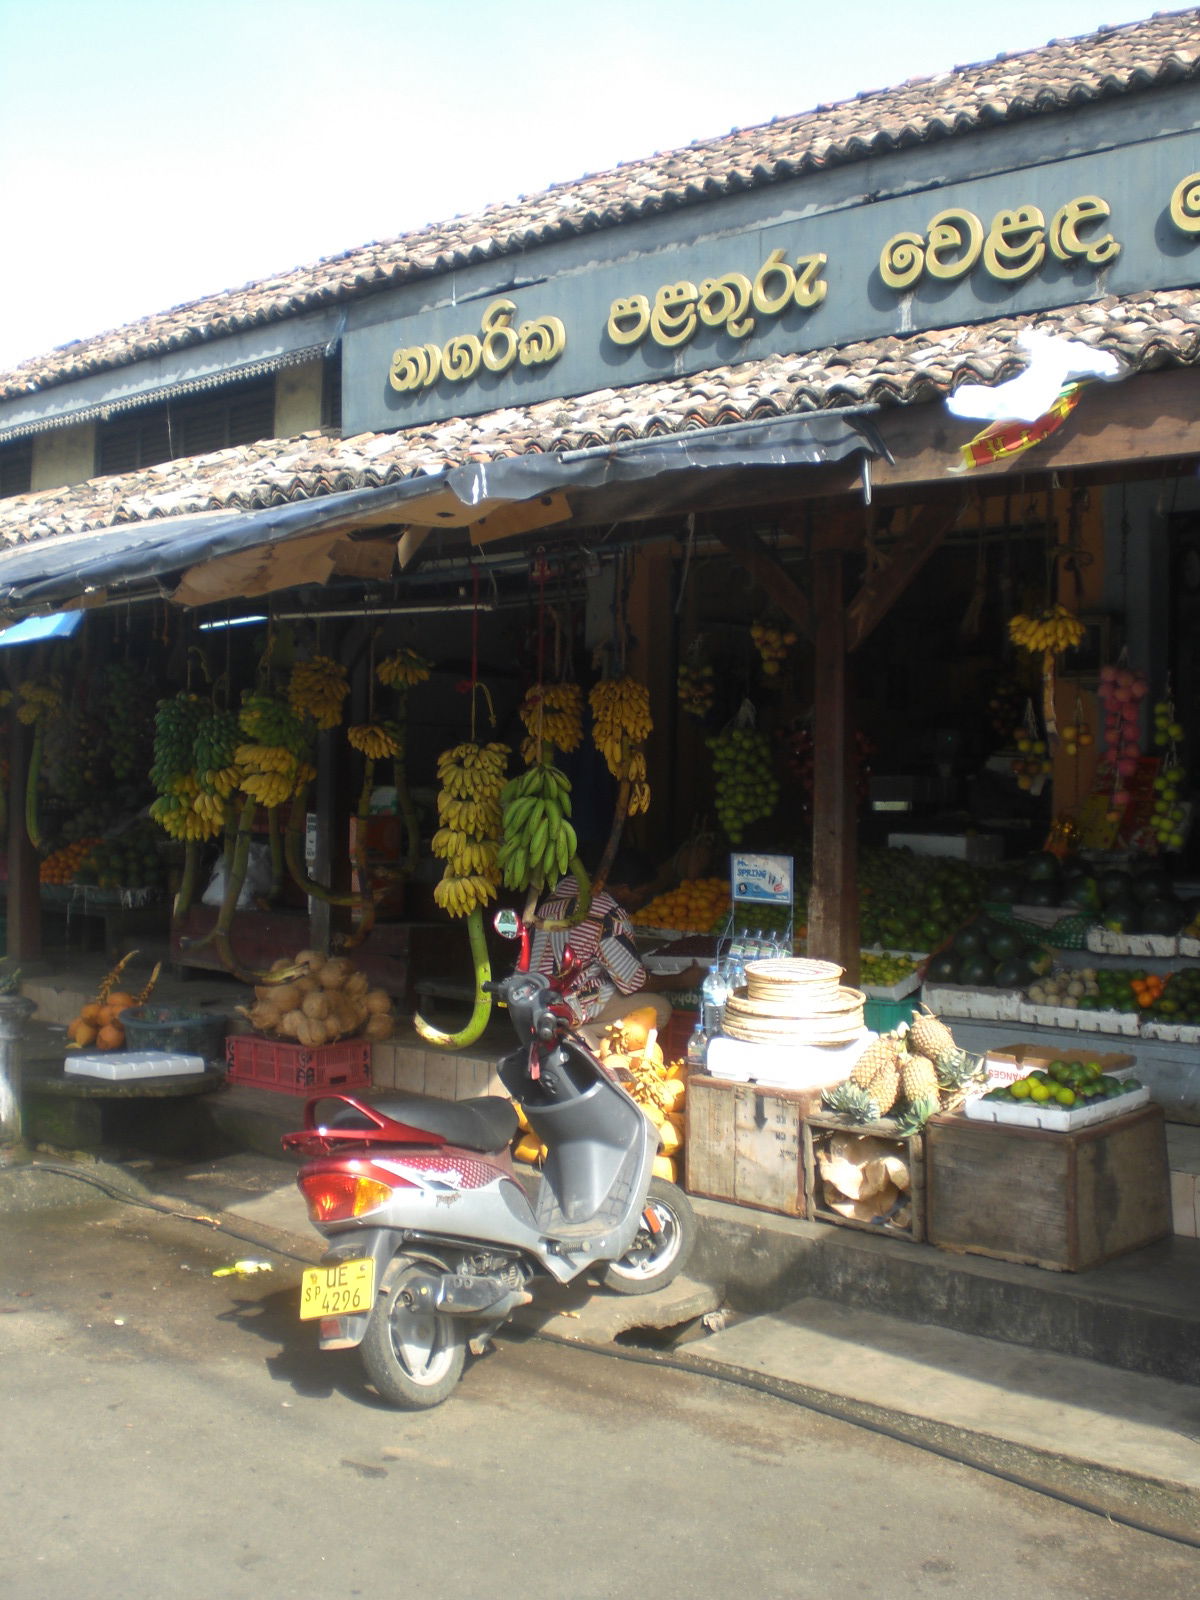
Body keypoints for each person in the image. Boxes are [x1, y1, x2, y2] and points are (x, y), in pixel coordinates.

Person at [529, 854, 704, 1049]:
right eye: (642, 894)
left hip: (528, 995)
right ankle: (580, 1036)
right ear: (622, 889)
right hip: (561, 1004)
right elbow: (634, 983)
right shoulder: (610, 915)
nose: (643, 901)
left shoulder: (567, 885)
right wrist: (682, 980)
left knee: (605, 980)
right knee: (659, 1008)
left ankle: (577, 1036)